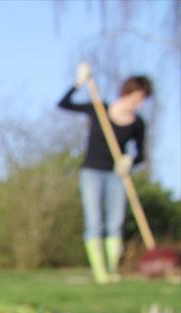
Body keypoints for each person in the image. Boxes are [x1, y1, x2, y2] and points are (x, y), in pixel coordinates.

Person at [58, 64, 151, 283]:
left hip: (118, 175)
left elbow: (141, 155)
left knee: (115, 223)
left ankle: (112, 271)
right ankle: (100, 273)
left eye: (144, 98)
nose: (141, 102)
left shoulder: (138, 123)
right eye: (139, 96)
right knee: (94, 222)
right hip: (91, 171)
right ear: (128, 93)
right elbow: (64, 104)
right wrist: (78, 83)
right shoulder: (99, 109)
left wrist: (130, 160)